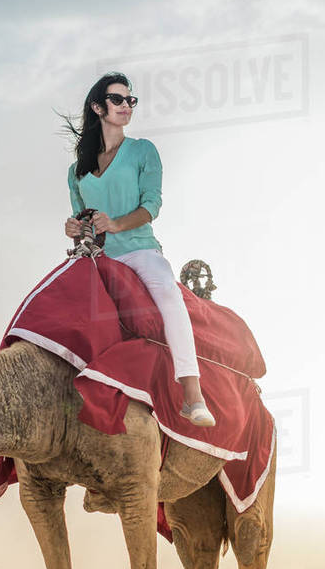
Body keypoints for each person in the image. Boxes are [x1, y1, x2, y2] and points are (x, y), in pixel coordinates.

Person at [59, 72, 215, 428]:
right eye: (118, 100)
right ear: (98, 107)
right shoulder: (76, 171)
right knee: (59, 302)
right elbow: (82, 221)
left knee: (167, 293)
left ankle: (193, 394)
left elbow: (152, 206)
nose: (127, 106)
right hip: (97, 258)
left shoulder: (143, 151)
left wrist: (115, 224)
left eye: (131, 100)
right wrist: (74, 228)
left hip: (140, 251)